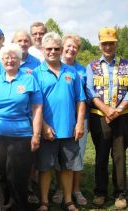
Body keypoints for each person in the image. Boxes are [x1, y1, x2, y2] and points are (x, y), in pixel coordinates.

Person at [0, 43, 42, 210]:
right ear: (1, 61)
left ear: (19, 59)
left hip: (21, 135)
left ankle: (20, 207)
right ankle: (4, 207)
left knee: (18, 176)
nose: (9, 60)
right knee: (0, 174)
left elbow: (37, 108)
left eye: (13, 57)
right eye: (6, 58)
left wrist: (36, 134)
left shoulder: (29, 79)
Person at [33, 32, 86, 211]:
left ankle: (69, 200)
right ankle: (44, 202)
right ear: (42, 49)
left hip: (69, 129)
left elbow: (80, 100)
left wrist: (79, 124)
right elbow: (33, 105)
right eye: (49, 49)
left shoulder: (72, 72)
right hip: (46, 131)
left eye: (57, 48)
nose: (53, 52)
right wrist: (44, 127)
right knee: (45, 168)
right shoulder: (35, 74)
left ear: (62, 50)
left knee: (67, 168)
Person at [86, 27, 128, 209]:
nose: (108, 46)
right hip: (99, 117)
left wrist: (117, 110)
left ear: (116, 43)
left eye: (111, 43)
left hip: (122, 116)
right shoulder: (92, 66)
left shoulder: (126, 65)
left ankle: (120, 194)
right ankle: (100, 192)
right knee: (101, 155)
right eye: (104, 43)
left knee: (119, 156)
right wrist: (105, 109)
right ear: (100, 44)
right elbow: (89, 90)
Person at [51, 34, 88, 206]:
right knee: (61, 157)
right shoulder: (54, 66)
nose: (71, 49)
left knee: (77, 156)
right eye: (68, 45)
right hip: (59, 119)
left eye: (75, 47)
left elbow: (84, 96)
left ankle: (76, 190)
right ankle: (60, 189)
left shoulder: (81, 70)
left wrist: (80, 121)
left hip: (80, 119)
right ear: (62, 47)